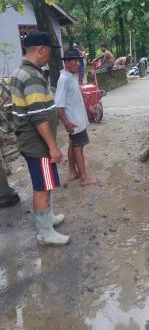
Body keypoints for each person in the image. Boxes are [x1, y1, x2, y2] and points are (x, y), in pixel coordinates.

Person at [10, 31, 70, 246]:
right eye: (50, 51)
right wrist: (53, 147)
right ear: (41, 49)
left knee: (45, 182)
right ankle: (45, 232)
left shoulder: (21, 71)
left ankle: (48, 218)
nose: (49, 56)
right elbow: (38, 116)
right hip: (38, 145)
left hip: (31, 142)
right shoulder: (33, 76)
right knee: (42, 186)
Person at [55, 48, 99, 186]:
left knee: (73, 144)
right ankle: (84, 178)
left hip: (76, 119)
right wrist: (66, 122)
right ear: (67, 62)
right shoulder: (64, 79)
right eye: (75, 61)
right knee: (78, 147)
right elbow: (59, 106)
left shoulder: (71, 77)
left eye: (79, 61)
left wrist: (87, 105)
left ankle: (72, 172)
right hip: (74, 121)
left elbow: (74, 98)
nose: (78, 64)